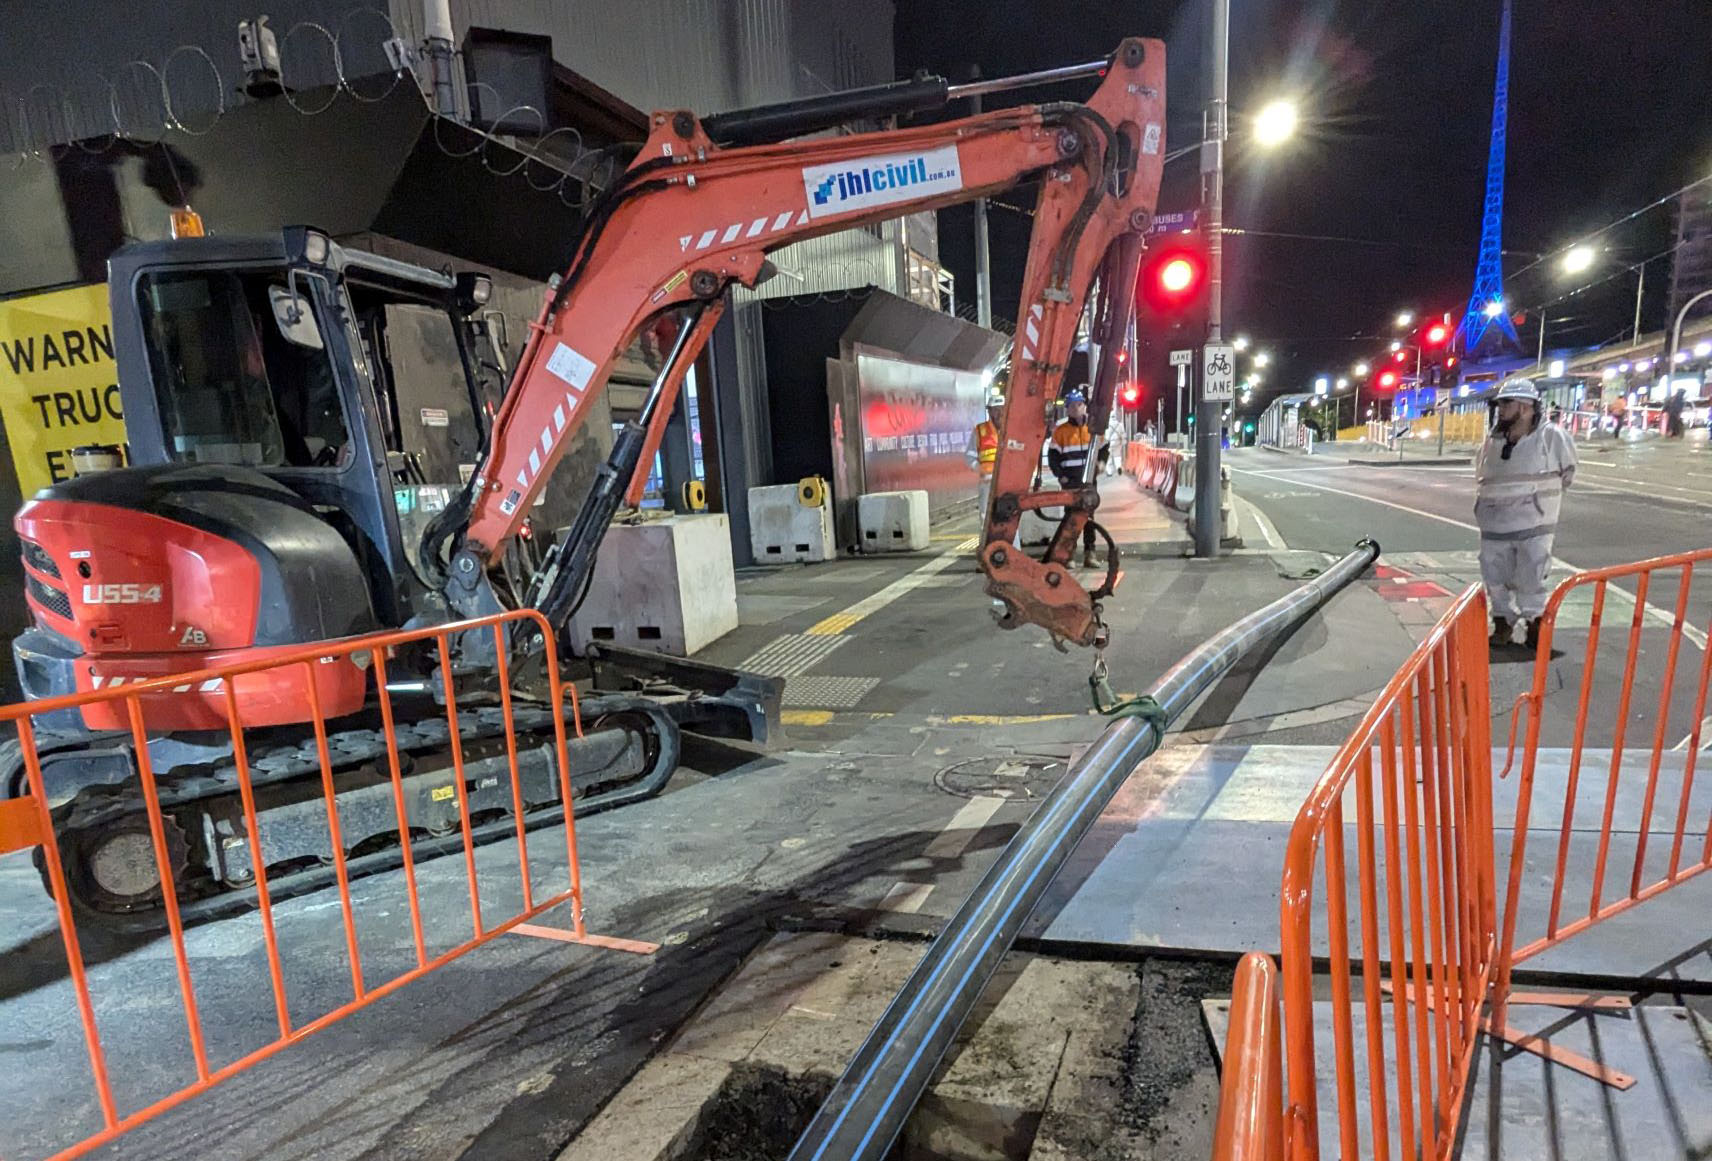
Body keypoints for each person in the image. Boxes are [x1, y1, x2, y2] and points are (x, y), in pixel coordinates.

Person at [1475, 378, 1577, 648]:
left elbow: (1568, 473)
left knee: (1532, 577)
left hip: (1534, 525)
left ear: (1526, 406)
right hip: (1494, 526)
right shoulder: (1492, 442)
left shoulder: (1551, 437)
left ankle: (1535, 625)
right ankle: (1502, 623)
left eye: (1507, 403)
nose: (1501, 409)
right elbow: (1483, 477)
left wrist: (1537, 502)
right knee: (1494, 578)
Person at [1048, 388, 1107, 568]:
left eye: (1079, 404)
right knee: (1071, 518)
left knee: (1089, 518)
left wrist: (1102, 462)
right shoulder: (1061, 431)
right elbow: (1053, 457)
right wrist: (1061, 476)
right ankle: (1069, 555)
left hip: (1089, 480)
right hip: (1071, 482)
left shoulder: (1093, 429)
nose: (1076, 408)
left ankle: (1090, 554)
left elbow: (1104, 448)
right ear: (1067, 409)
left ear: (1084, 406)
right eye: (1072, 406)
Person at [966, 392, 1004, 519]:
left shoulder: (1012, 429)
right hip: (987, 485)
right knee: (986, 519)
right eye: (996, 410)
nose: (999, 413)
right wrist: (980, 469)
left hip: (1007, 485)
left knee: (1009, 521)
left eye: (1002, 409)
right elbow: (969, 457)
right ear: (990, 411)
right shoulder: (980, 431)